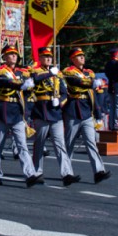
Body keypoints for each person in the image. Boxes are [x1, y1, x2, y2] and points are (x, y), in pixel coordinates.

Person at [0, 45, 42, 187]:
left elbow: (32, 81)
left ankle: (29, 174)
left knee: (22, 145)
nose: (13, 56)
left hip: (17, 111)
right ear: (5, 57)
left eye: (15, 54)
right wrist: (21, 86)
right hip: (2, 110)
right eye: (10, 54)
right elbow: (4, 82)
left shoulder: (22, 72)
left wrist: (32, 83)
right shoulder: (0, 70)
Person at [31, 47, 80, 186]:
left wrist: (60, 101)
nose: (48, 59)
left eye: (50, 57)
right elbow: (35, 80)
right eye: (45, 57)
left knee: (60, 144)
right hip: (41, 110)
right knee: (39, 144)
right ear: (40, 59)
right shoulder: (36, 70)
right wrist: (49, 74)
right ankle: (37, 171)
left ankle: (67, 174)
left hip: (55, 111)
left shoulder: (58, 74)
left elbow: (65, 92)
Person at [62, 47, 111, 184]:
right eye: (78, 56)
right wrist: (90, 83)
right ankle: (67, 173)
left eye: (83, 55)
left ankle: (98, 171)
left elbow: (92, 94)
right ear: (72, 59)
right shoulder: (68, 71)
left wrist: (98, 113)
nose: (82, 57)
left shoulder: (90, 72)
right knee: (69, 144)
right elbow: (76, 82)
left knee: (91, 143)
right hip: (73, 109)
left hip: (86, 110)